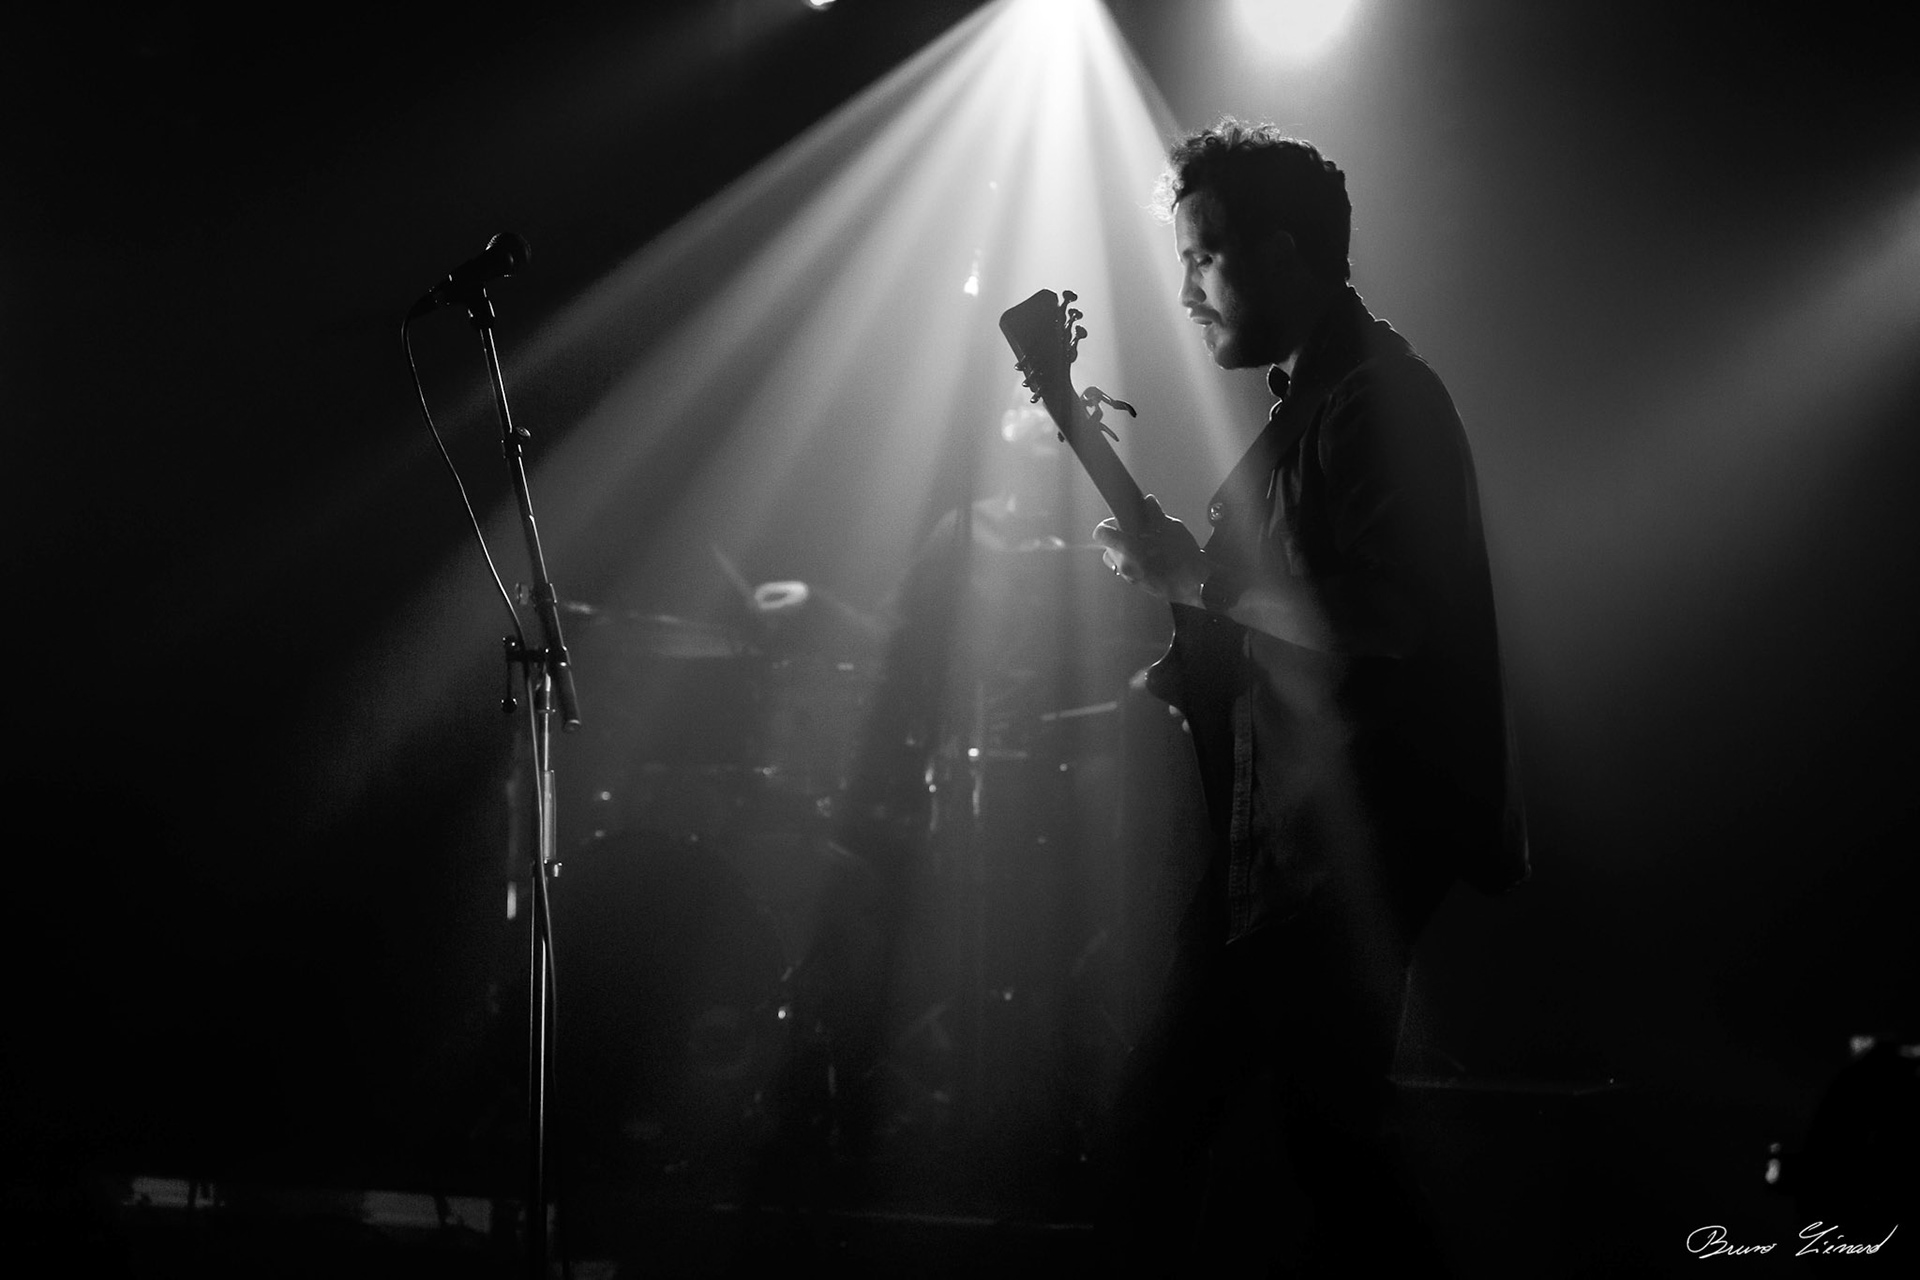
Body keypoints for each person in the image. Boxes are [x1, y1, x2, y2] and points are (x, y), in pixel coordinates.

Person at [1090, 121, 1528, 1276]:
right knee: (1318, 1162)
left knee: (1194, 1145)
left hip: (1342, 846)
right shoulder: (1317, 403)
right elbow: (1300, 627)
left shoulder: (1378, 400)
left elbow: (1387, 618)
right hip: (1292, 844)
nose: (1186, 290)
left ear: (1284, 251)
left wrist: (1202, 582)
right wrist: (1203, 648)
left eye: (1205, 255)